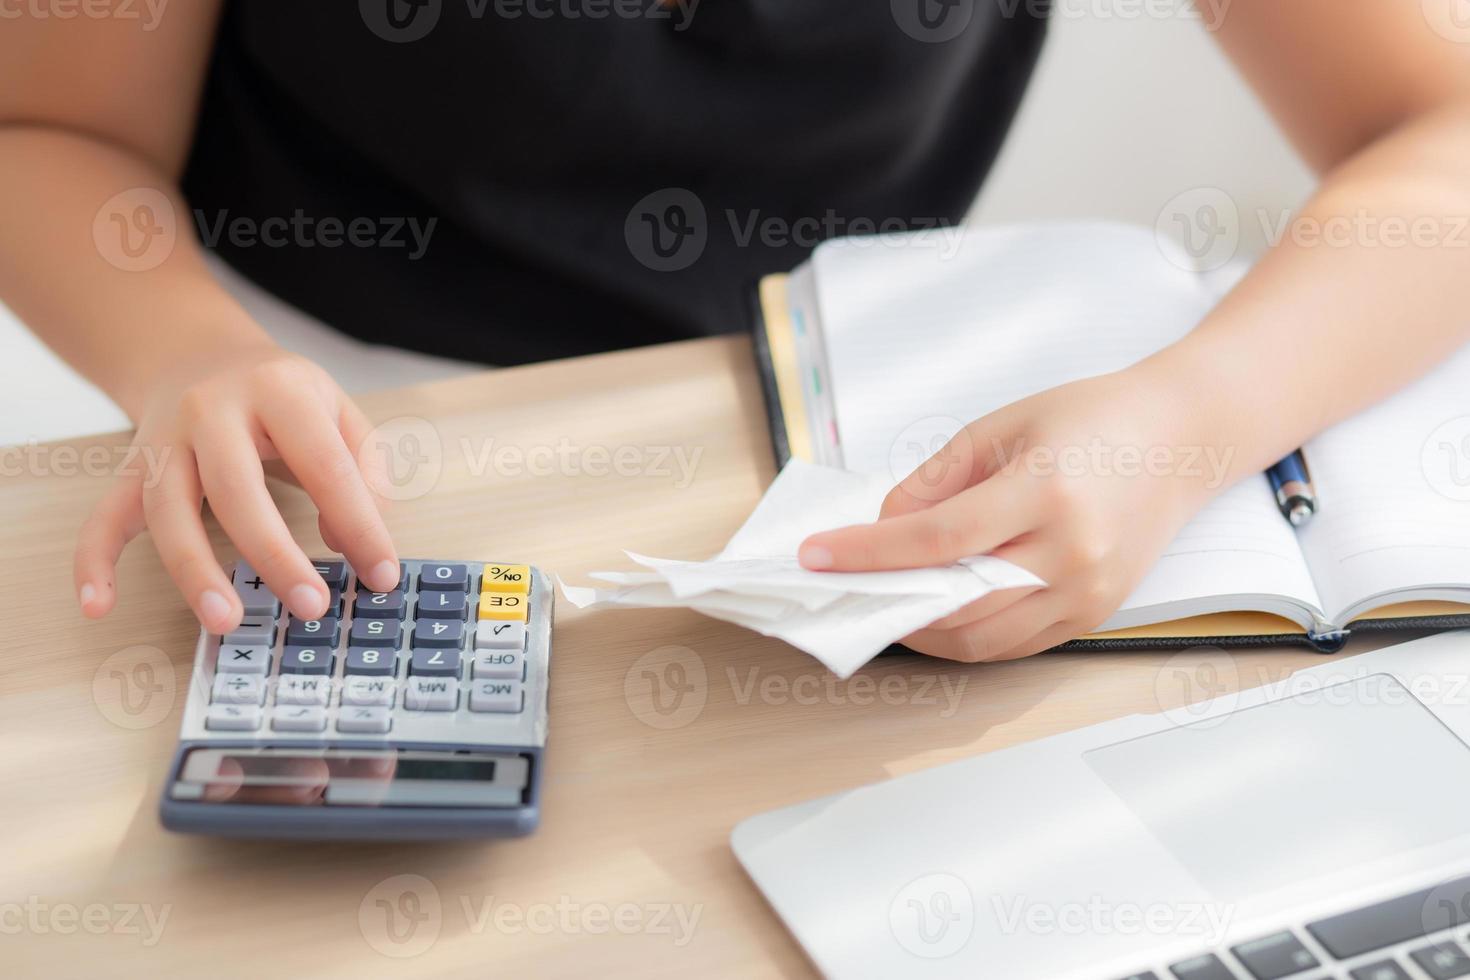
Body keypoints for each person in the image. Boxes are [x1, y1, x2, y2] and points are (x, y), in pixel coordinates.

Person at [2, 3, 1468, 663]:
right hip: (320, 406)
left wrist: (1187, 416)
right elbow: (47, 125)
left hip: (856, 419)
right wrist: (180, 353)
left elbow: (1439, 130)